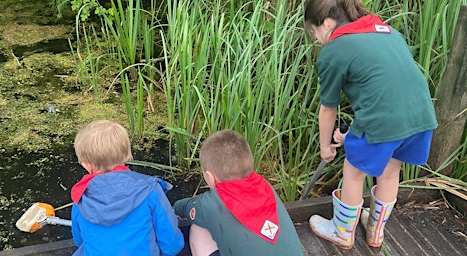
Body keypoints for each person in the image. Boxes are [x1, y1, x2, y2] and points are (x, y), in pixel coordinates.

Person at [303, 0, 438, 250]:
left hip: (382, 121)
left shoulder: (334, 51)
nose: (317, 39)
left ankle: (342, 232)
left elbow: (328, 108)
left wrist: (325, 147)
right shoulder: (387, 32)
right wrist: (355, 134)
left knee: (353, 174)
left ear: (326, 23)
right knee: (390, 170)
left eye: (314, 33)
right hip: (419, 117)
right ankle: (376, 232)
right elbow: (385, 89)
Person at [173, 130, 305, 256]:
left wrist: (174, 208)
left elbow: (184, 207)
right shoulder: (266, 186)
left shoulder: (212, 204)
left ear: (210, 177)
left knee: (198, 227)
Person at [70, 120, 184, 255]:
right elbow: (171, 244)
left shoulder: (81, 198)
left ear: (86, 165)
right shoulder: (150, 190)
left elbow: (78, 240)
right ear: (126, 156)